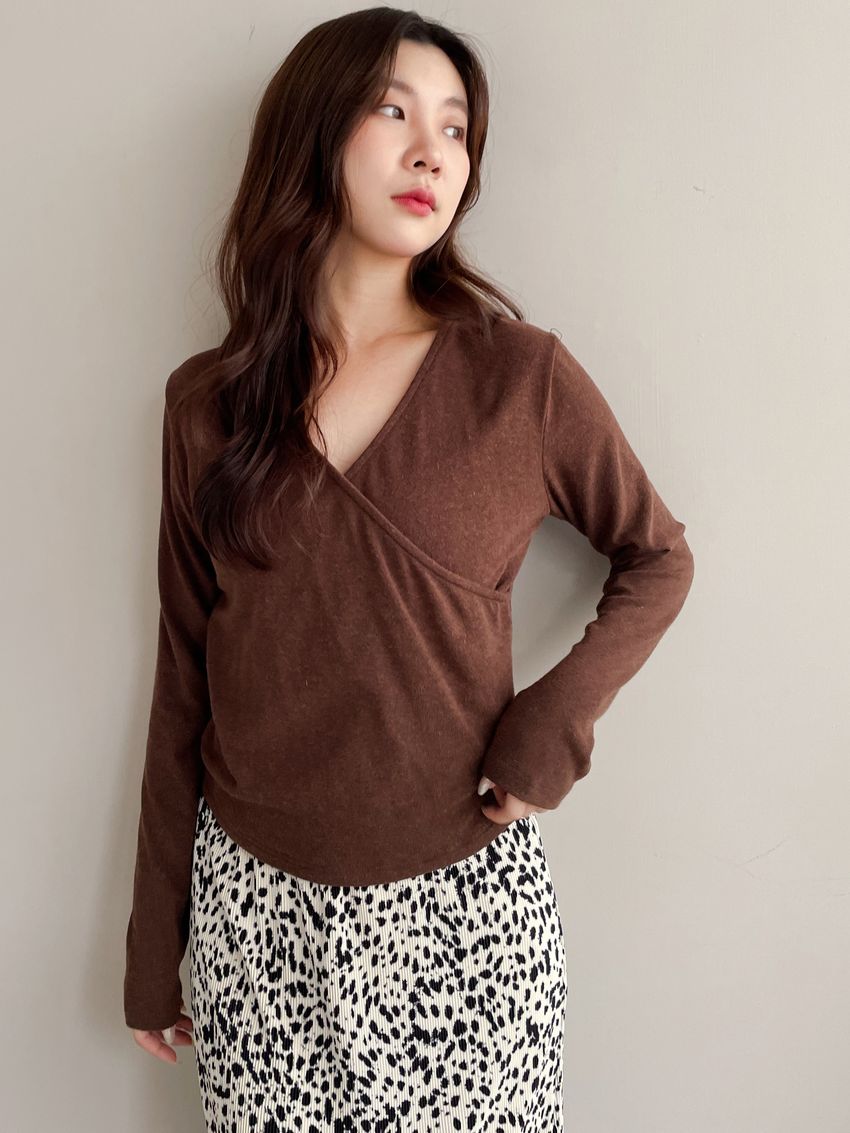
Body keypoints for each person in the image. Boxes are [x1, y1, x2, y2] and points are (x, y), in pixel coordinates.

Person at [123, 8, 695, 1131]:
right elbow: (184, 675)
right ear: (312, 130)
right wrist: (156, 941)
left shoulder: (519, 377)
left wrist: (548, 728)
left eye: (456, 127)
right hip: (256, 925)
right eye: (393, 111)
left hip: (466, 922)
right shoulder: (208, 405)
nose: (433, 150)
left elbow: (658, 558)